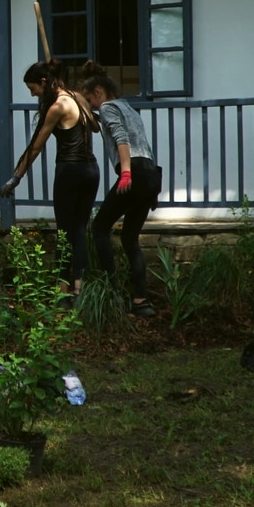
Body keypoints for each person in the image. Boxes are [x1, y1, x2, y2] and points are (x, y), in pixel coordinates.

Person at [0, 60, 99, 297]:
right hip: (91, 171)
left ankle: (63, 291)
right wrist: (81, 105)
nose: (33, 94)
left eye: (33, 88)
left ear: (44, 82)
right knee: (79, 230)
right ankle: (80, 289)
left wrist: (16, 178)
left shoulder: (57, 106)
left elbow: (35, 147)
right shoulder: (77, 98)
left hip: (69, 171)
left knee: (64, 231)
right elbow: (95, 127)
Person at [82, 62, 162, 317]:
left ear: (98, 92)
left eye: (89, 100)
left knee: (99, 227)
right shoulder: (128, 107)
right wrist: (153, 190)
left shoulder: (106, 107)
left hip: (134, 172)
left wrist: (125, 172)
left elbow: (121, 138)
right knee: (130, 238)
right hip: (150, 173)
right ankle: (141, 301)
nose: (92, 106)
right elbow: (143, 144)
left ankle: (111, 289)